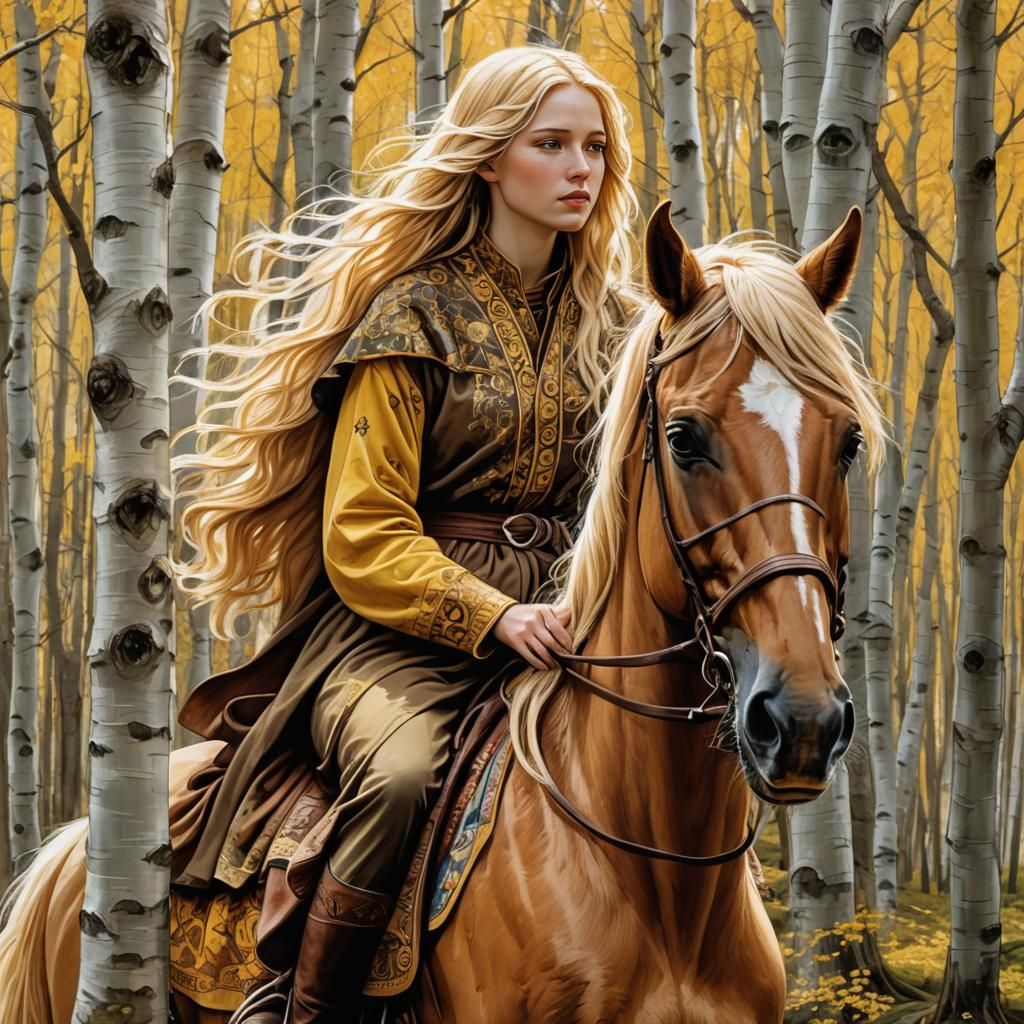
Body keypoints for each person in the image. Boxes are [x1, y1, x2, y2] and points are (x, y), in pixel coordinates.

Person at [168, 46, 640, 1024]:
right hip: (396, 638)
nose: (579, 168)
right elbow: (362, 531)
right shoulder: (412, 312)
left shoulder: (621, 327)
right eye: (549, 144)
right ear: (486, 159)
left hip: (578, 618)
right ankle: (303, 1009)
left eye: (594, 146)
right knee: (398, 777)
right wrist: (493, 615)